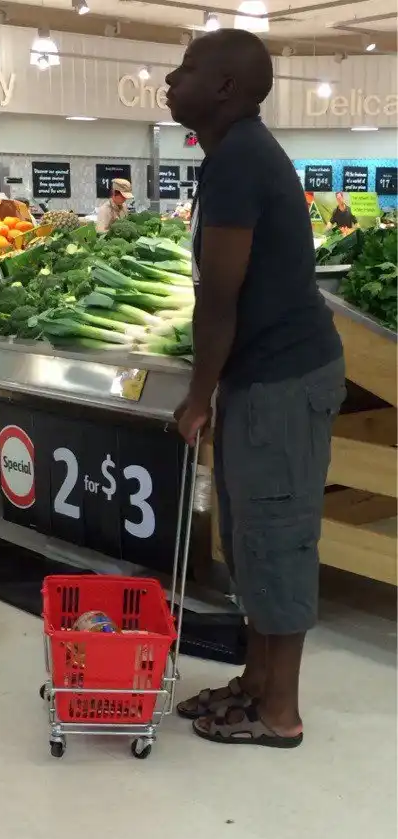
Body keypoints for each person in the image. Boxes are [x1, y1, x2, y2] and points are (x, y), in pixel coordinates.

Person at [166, 30, 345, 747]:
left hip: (283, 380)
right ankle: (257, 681)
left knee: (277, 539)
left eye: (185, 70)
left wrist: (198, 397)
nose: (169, 80)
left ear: (225, 89)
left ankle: (280, 714)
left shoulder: (240, 158)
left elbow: (219, 296)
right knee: (249, 541)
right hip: (262, 376)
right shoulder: (232, 155)